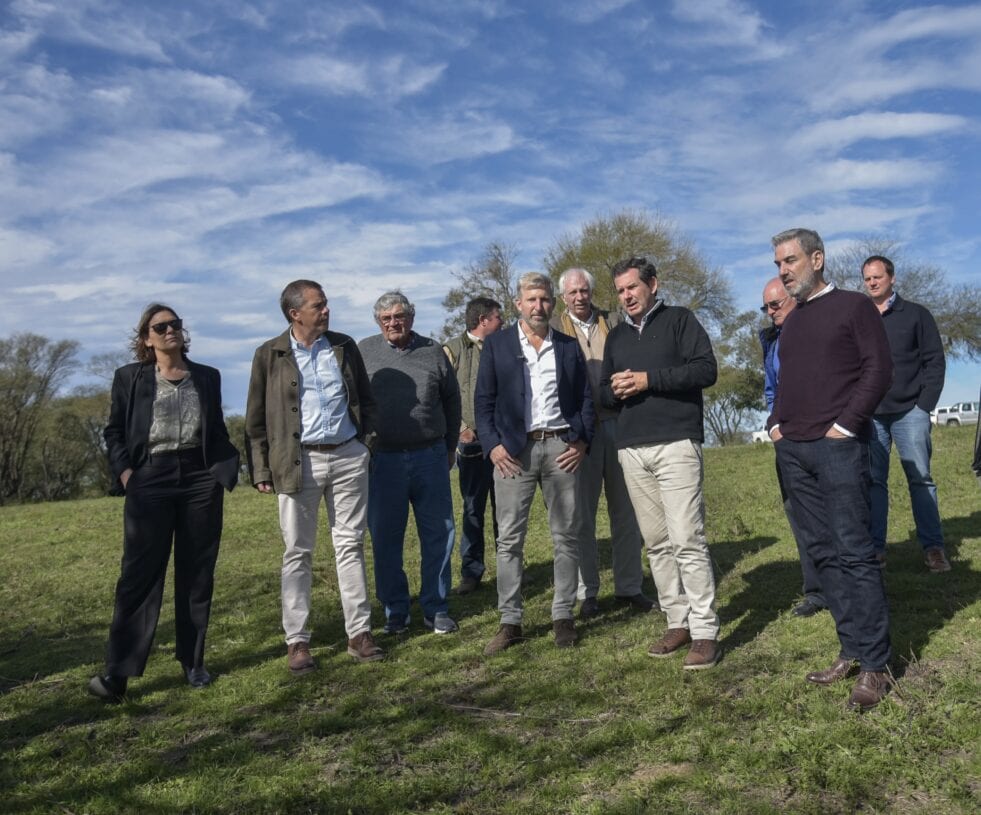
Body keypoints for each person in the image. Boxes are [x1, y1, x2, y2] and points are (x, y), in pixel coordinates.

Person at [768, 228, 893, 711]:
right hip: (794, 452)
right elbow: (787, 380)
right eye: (779, 263)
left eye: (791, 260)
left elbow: (878, 370)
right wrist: (775, 423)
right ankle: (851, 648)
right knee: (821, 553)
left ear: (817, 259)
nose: (783, 271)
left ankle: (876, 665)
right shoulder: (793, 320)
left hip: (838, 449)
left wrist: (845, 425)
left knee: (854, 552)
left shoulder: (854, 307)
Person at [89, 304, 239, 702]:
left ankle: (193, 662)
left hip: (199, 477)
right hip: (150, 475)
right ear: (146, 338)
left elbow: (216, 428)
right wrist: (126, 474)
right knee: (139, 574)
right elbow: (114, 431)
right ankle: (118, 672)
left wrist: (224, 469)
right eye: (161, 326)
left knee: (197, 573)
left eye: (175, 324)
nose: (170, 330)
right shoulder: (130, 377)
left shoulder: (207, 376)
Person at [245, 280, 383, 676]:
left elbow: (366, 400)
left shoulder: (343, 346)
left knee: (351, 545)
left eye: (325, 304)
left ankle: (359, 634)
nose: (326, 311)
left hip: (348, 455)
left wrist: (366, 445)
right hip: (297, 462)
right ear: (295, 314)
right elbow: (255, 420)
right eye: (318, 305)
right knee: (297, 552)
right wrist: (262, 469)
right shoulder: (269, 354)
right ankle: (298, 642)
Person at [600, 257, 721, 671]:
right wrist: (615, 389)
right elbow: (603, 394)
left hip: (676, 443)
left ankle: (705, 631)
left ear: (653, 284)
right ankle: (677, 621)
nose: (626, 296)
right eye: (620, 290)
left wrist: (648, 380)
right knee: (656, 542)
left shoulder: (680, 320)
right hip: (632, 447)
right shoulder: (616, 337)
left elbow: (706, 370)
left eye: (632, 287)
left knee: (687, 538)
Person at [476, 272, 594, 653]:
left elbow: (585, 397)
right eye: (531, 299)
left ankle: (563, 616)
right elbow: (483, 402)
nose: (538, 306)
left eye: (544, 299)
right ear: (518, 304)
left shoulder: (567, 346)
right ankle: (510, 622)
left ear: (552, 303)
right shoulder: (497, 345)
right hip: (514, 453)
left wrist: (582, 440)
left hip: (561, 447)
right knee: (509, 539)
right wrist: (492, 446)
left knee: (566, 535)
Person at [551, 268, 652, 618]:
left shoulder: (614, 323)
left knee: (626, 512)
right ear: (563, 298)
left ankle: (629, 587)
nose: (579, 297)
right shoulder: (555, 330)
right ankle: (587, 592)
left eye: (584, 291)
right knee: (582, 517)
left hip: (619, 425)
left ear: (591, 292)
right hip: (580, 435)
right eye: (572, 293)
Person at [359, 292, 462, 635]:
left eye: (400, 316)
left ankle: (436, 607)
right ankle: (396, 611)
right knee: (385, 539)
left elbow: (452, 400)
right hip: (382, 460)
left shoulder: (433, 351)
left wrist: (450, 446)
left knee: (439, 534)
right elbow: (353, 401)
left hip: (429, 455)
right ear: (378, 322)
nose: (394, 323)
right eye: (386, 318)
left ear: (411, 317)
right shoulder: (364, 351)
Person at [862, 255, 949, 573]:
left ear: (892, 278)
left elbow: (934, 360)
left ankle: (934, 548)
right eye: (867, 278)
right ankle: (875, 550)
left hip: (910, 412)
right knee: (874, 482)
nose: (872, 282)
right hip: (872, 416)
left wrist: (924, 405)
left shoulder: (916, 314)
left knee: (921, 479)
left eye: (877, 277)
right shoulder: (860, 317)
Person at [759, 276, 827, 617]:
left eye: (775, 304)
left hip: (824, 436)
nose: (770, 312)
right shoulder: (771, 341)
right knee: (797, 513)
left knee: (834, 511)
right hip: (786, 441)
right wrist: (775, 426)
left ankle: (847, 583)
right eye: (766, 307)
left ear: (794, 299)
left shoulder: (818, 328)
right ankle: (816, 591)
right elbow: (772, 390)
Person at [443, 297, 503, 595]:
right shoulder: (452, 350)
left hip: (502, 442)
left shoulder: (504, 346)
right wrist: (460, 430)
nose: (502, 322)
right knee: (472, 508)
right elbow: (443, 395)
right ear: (483, 320)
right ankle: (471, 572)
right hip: (472, 444)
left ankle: (509, 569)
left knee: (505, 509)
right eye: (498, 317)